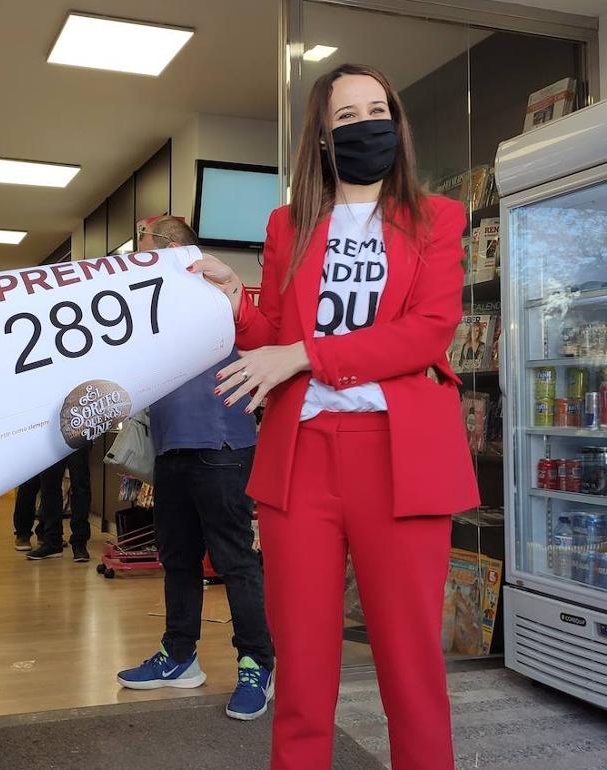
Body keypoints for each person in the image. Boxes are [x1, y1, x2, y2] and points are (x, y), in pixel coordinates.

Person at [191, 63, 479, 769]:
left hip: (402, 455)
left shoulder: (436, 218)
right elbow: (273, 339)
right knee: (304, 673)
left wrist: (303, 356)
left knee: (411, 672)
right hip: (304, 459)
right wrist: (237, 300)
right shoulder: (289, 224)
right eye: (346, 117)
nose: (366, 125)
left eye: (377, 110)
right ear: (322, 137)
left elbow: (427, 332)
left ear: (397, 124)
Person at [116, 216, 276, 722]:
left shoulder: (216, 289)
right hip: (171, 446)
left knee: (234, 561)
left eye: (144, 246)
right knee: (178, 558)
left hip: (222, 442)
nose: (140, 255)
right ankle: (179, 655)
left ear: (167, 246)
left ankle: (256, 663)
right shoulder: (150, 299)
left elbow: (257, 344)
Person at [17, 444, 92, 562]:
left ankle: (79, 543)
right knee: (49, 486)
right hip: (49, 434)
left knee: (79, 485)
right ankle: (53, 541)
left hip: (79, 430)